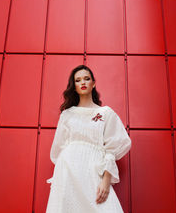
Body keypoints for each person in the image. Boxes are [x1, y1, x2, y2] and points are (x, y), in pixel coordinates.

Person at [45, 64, 132, 213]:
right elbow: (59, 149)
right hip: (67, 172)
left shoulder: (105, 113)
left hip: (93, 171)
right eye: (78, 80)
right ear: (74, 87)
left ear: (93, 83)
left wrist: (106, 180)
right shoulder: (67, 115)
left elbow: (112, 148)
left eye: (86, 79)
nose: (83, 82)